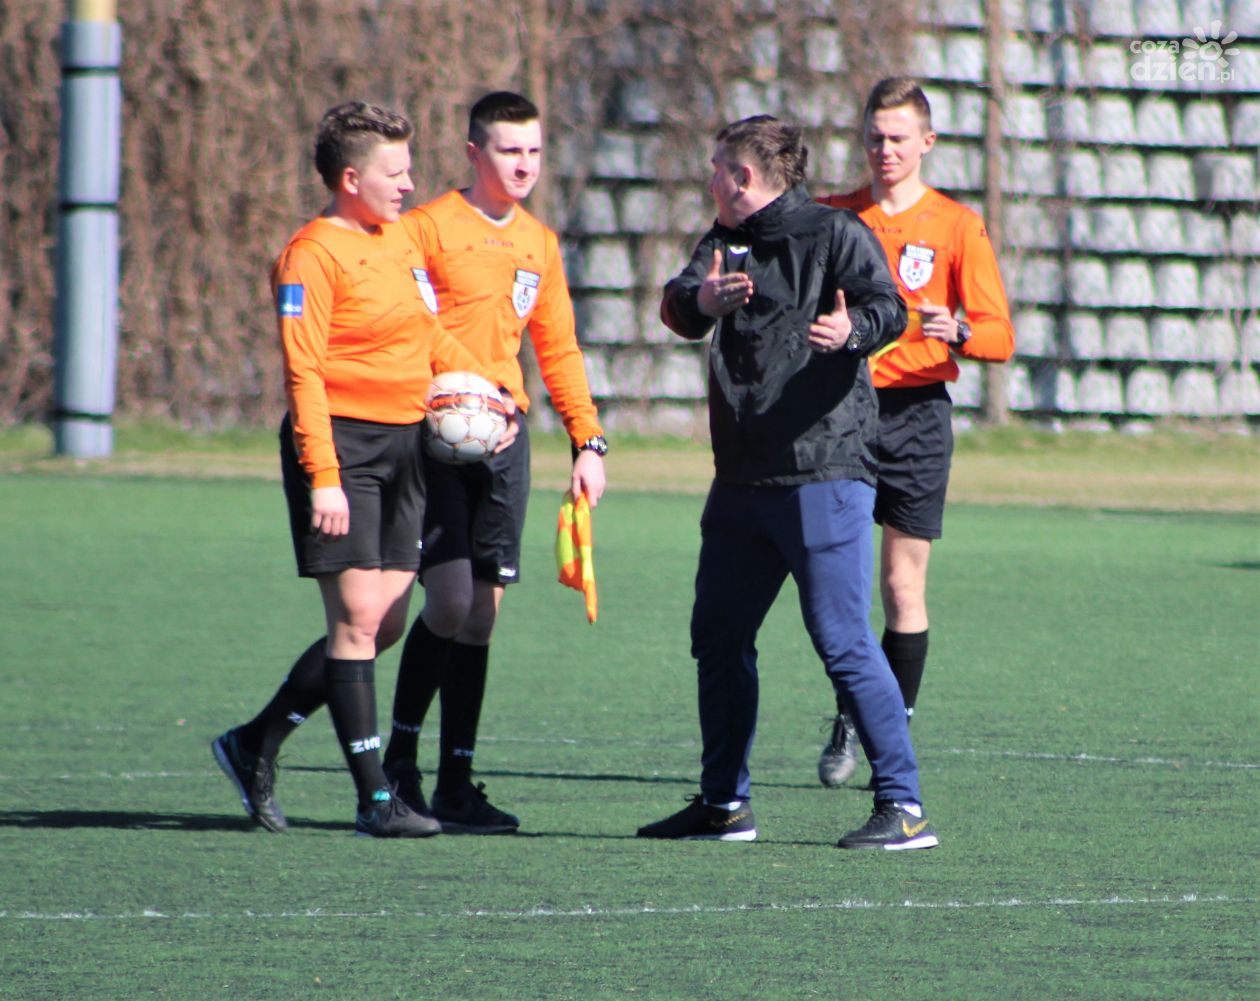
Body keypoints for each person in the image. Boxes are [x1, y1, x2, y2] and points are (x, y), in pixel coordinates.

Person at [636, 114, 938, 850]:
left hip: (822, 471)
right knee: (717, 636)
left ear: (744, 176)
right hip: (741, 477)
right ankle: (723, 804)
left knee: (842, 640)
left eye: (717, 166)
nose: (709, 177)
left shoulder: (835, 232)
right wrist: (701, 304)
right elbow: (679, 302)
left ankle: (903, 807)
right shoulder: (724, 238)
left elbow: (889, 308)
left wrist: (851, 332)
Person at [211, 101, 497, 838]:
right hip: (342, 448)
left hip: (409, 448)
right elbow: (301, 372)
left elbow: (427, 332)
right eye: (394, 172)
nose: (408, 185)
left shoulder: (397, 239)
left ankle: (253, 741)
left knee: (387, 620)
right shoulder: (309, 256)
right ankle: (376, 800)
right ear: (349, 178)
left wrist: (485, 389)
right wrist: (325, 476)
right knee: (356, 619)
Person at [380, 91, 607, 834]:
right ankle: (399, 767)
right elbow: (411, 324)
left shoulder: (539, 243)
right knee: (447, 604)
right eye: (510, 151)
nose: (524, 164)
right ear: (474, 152)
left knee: (481, 615)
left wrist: (587, 440)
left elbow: (558, 347)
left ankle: (455, 783)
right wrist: (468, 389)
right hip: (437, 440)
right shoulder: (426, 228)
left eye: (534, 151)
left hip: (506, 444)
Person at [814, 77, 1015, 788]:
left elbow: (999, 335)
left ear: (926, 142)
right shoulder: (835, 216)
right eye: (874, 137)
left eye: (898, 138)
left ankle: (884, 731)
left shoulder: (957, 225)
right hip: (841, 412)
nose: (885, 150)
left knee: (902, 585)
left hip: (918, 418)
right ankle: (849, 712)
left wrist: (956, 330)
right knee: (839, 584)